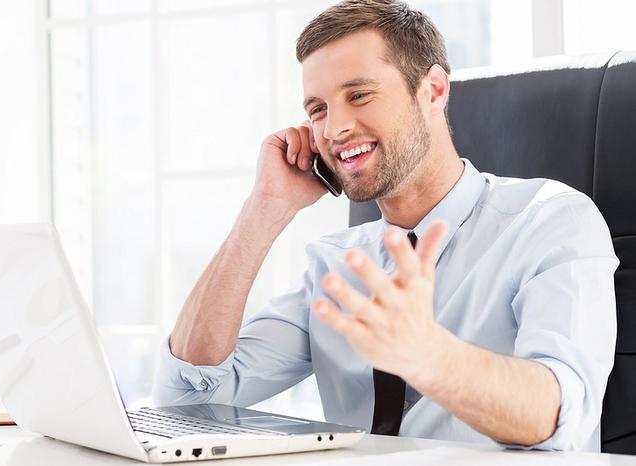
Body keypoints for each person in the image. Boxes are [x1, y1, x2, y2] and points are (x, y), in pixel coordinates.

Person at [153, 0, 618, 452]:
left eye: (358, 95)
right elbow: (188, 396)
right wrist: (264, 209)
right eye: (317, 109)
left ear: (433, 90)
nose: (333, 129)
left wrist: (427, 354)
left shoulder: (551, 220)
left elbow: (560, 415)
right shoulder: (336, 265)